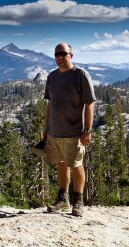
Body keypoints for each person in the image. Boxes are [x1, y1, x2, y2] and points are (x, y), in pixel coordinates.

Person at [43, 43, 96, 217]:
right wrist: (46, 128)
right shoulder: (52, 77)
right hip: (55, 132)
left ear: (71, 55)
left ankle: (78, 201)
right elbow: (50, 103)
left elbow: (89, 103)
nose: (59, 57)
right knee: (61, 164)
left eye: (63, 54)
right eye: (57, 54)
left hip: (74, 132)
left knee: (76, 165)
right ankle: (63, 199)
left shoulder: (80, 75)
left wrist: (87, 130)